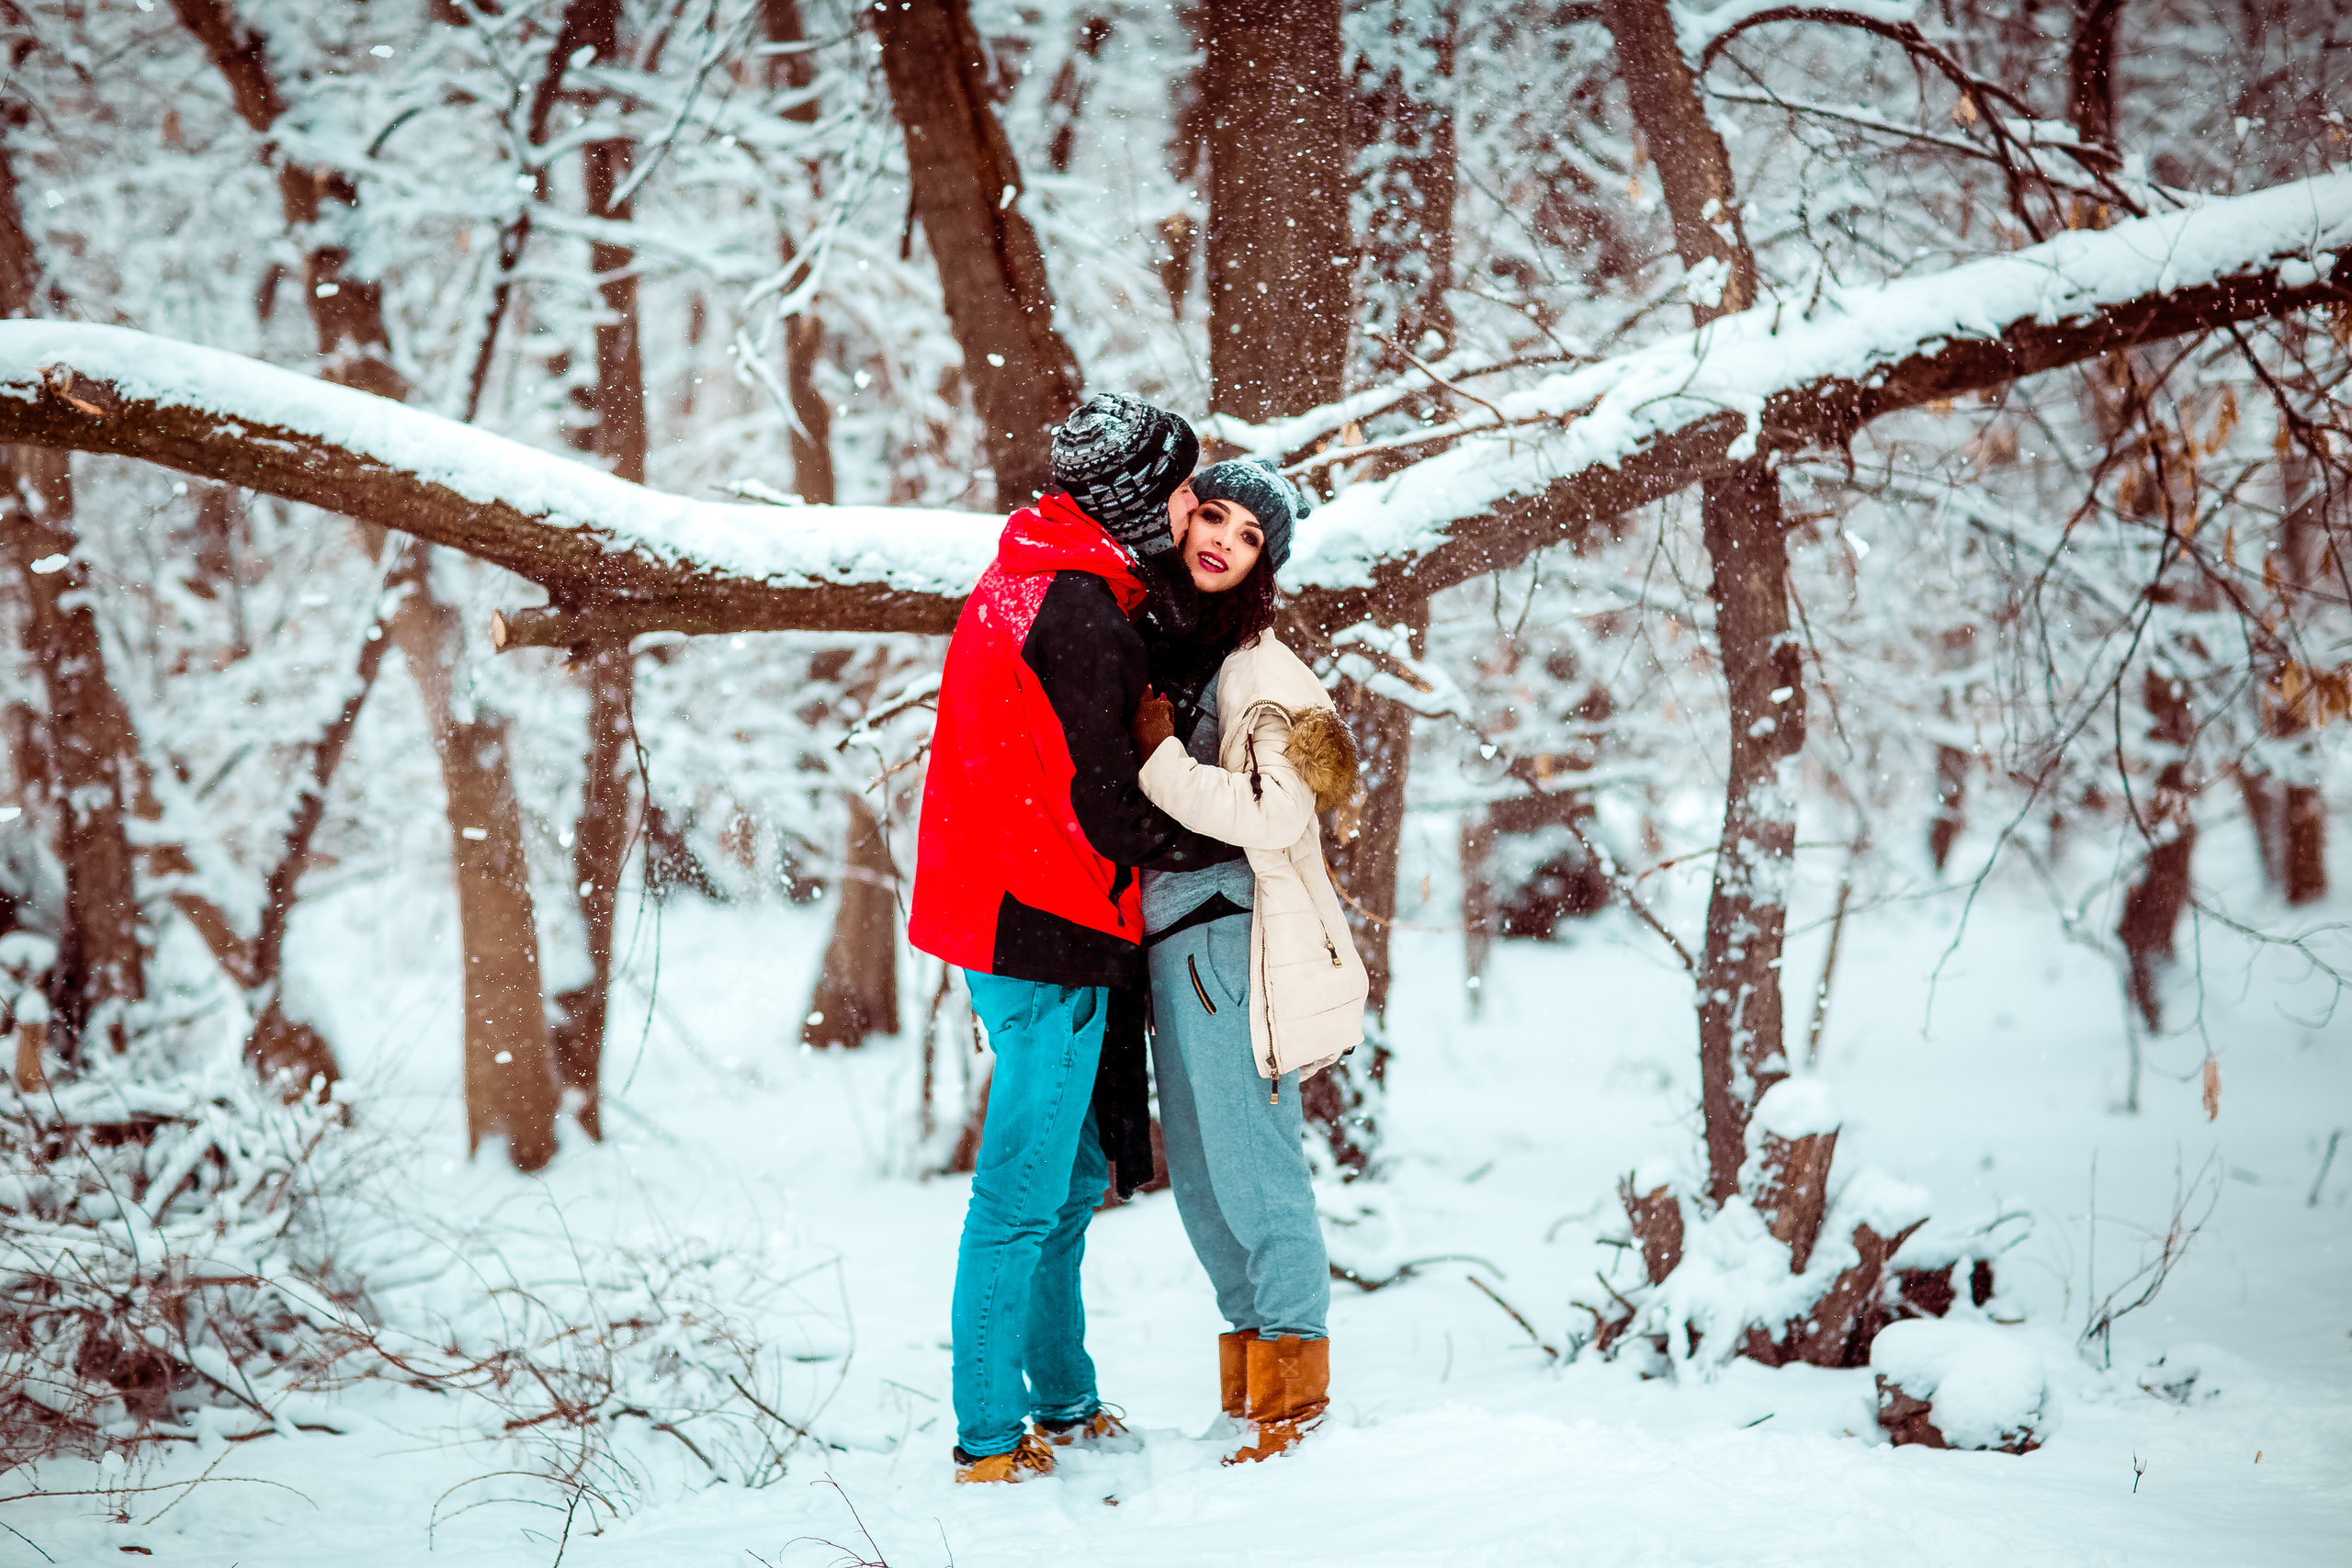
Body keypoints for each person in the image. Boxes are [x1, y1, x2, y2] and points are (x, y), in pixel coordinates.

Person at [908, 393, 1226, 1484]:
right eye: (1182, 491)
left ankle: (1066, 1403)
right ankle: (990, 1444)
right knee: (1020, 1196)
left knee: (1068, 1175)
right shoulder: (1077, 613)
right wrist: (1229, 840)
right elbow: (1108, 805)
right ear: (1140, 501)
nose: (1194, 511)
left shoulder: (1040, 577)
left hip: (1013, 913)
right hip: (1041, 925)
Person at [1127, 457, 1370, 1464]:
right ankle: (1251, 1390)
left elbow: (1278, 814)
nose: (1223, 538)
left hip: (1226, 940)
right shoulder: (1184, 638)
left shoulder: (1259, 666)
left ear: (1266, 562)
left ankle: (1294, 1400)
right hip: (1175, 946)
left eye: (1251, 535)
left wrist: (1158, 762)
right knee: (1200, 1184)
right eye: (1214, 515)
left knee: (1255, 1175)